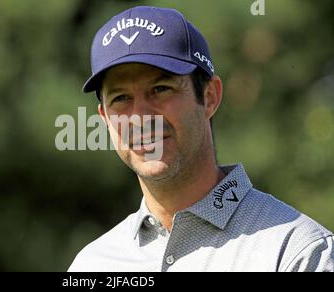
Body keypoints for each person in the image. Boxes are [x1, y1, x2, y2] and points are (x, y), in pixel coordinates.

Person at [68, 6, 334, 272]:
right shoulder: (92, 265)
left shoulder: (296, 252)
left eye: (161, 89)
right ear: (105, 118)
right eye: (121, 98)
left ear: (209, 97)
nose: (140, 116)